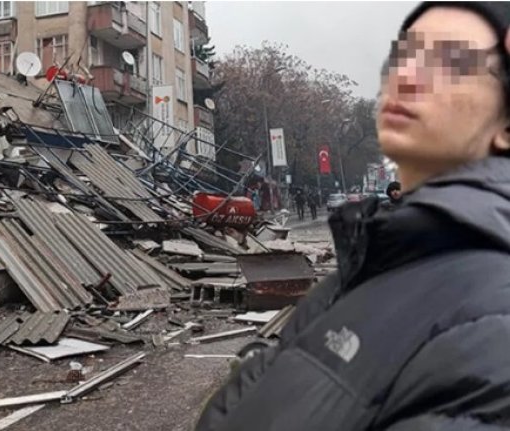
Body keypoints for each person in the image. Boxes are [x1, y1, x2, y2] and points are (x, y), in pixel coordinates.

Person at [196, 3, 510, 430]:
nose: (408, 75)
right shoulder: (368, 263)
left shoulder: (494, 317)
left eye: (452, 62)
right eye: (405, 54)